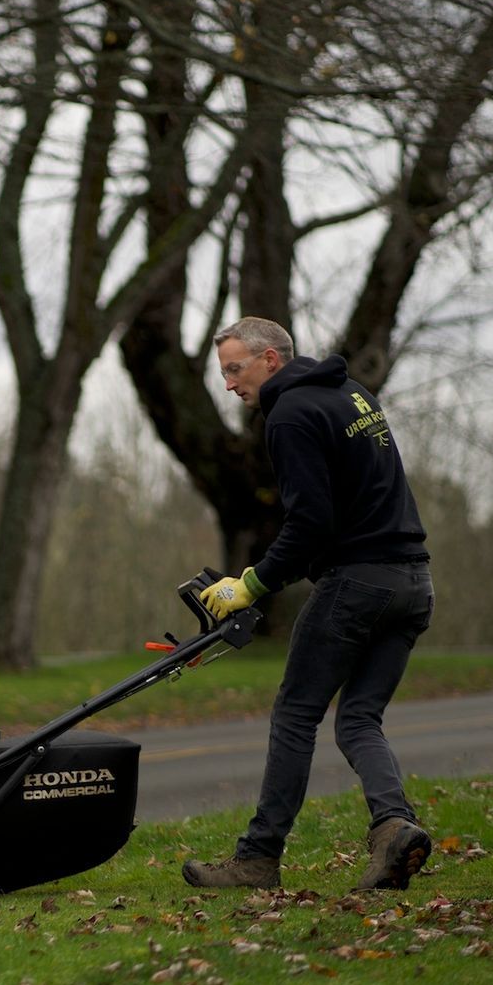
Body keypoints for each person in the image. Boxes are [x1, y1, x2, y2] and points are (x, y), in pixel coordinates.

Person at [183, 316, 435, 893]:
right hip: (413, 583)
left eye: (235, 368)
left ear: (271, 360)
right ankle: (394, 829)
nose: (229, 384)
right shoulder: (352, 394)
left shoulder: (290, 414)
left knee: (296, 714)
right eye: (223, 372)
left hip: (359, 584)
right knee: (358, 718)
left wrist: (251, 584)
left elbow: (312, 525)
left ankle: (258, 859)